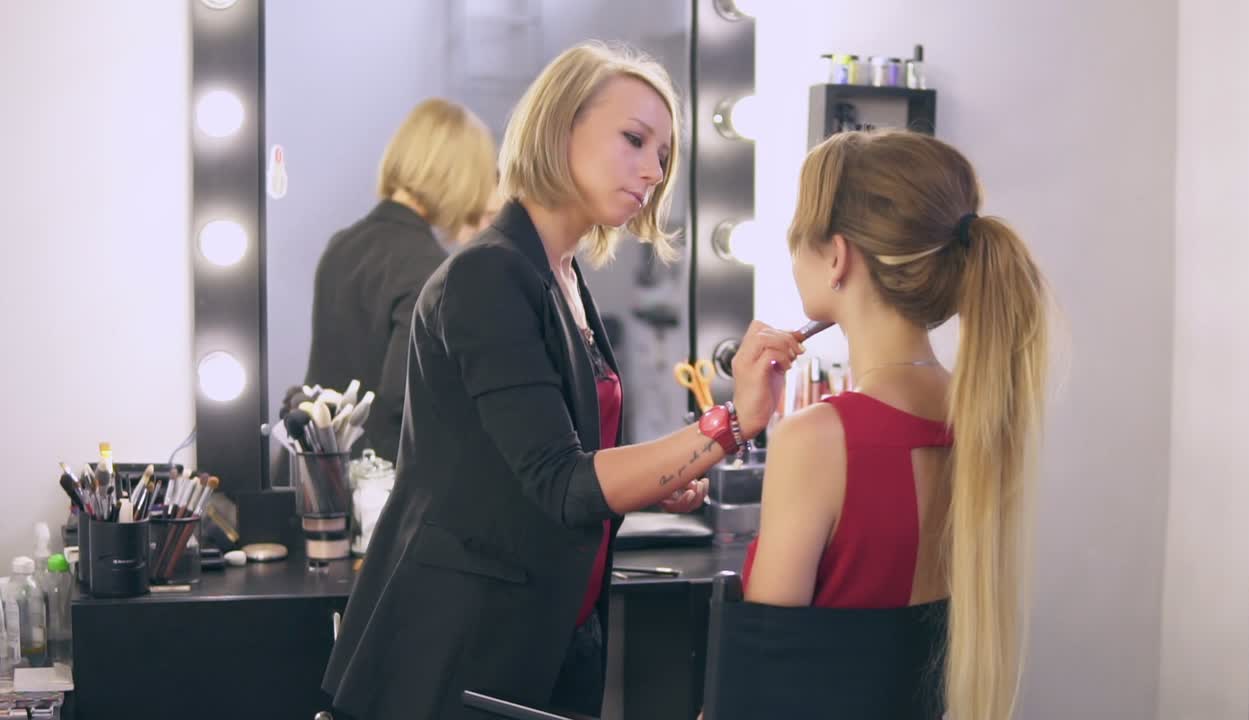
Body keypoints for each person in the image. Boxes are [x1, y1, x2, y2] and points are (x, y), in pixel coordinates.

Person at [322, 42, 802, 720]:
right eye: (634, 139)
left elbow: (565, 468)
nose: (653, 170)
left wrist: (659, 479)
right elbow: (566, 484)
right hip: (464, 648)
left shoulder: (565, 282)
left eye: (664, 154)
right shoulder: (487, 277)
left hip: (555, 632)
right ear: (560, 127)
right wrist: (729, 424)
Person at [741, 129, 1049, 720]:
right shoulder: (982, 412)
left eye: (797, 231)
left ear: (836, 256)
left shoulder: (818, 439)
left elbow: (761, 681)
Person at [303, 98, 499, 463]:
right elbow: (403, 401)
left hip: (316, 473)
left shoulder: (341, 245)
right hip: (374, 489)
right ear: (459, 179)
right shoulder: (428, 267)